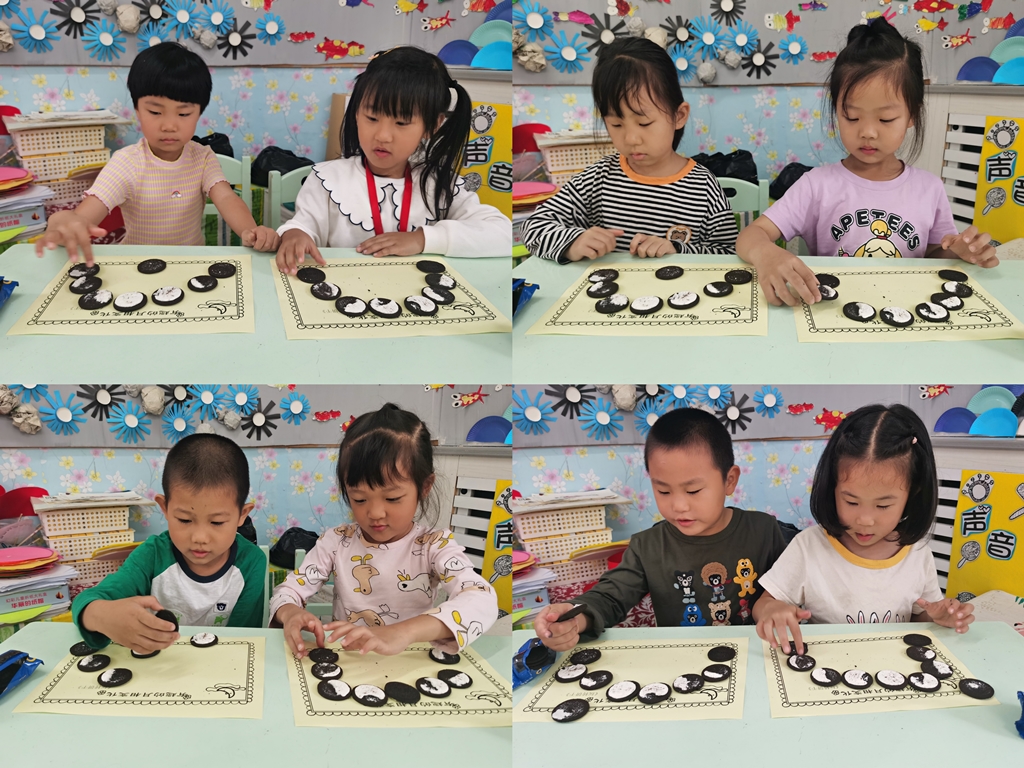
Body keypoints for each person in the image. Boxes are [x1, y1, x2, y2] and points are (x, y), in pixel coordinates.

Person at [736, 18, 999, 307]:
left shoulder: (929, 189)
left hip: (905, 310)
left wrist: (960, 251)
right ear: (836, 111)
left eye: (885, 119)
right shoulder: (816, 185)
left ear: (912, 115)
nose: (868, 132)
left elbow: (934, 256)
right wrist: (766, 253)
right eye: (852, 117)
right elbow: (750, 235)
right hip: (834, 313)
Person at [534, 408, 787, 651]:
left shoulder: (764, 531)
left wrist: (776, 606)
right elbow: (610, 597)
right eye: (663, 491)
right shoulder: (647, 546)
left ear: (729, 480)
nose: (678, 506)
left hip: (758, 656)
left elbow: (792, 585)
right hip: (681, 662)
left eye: (693, 491)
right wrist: (575, 618)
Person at [271, 404, 498, 657]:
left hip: (409, 660)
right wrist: (290, 612)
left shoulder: (434, 545)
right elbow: (287, 591)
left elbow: (483, 599)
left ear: (424, 487)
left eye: (392, 498)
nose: (375, 513)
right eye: (359, 499)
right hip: (350, 659)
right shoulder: (336, 541)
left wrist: (402, 632)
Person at [754, 404, 974, 655]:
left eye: (883, 505)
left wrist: (938, 617)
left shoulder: (917, 554)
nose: (865, 520)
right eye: (851, 502)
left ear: (912, 495)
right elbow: (764, 603)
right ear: (832, 488)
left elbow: (918, 616)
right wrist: (771, 610)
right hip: (827, 667)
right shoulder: (809, 547)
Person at [36, 43, 279, 266]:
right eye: (155, 112)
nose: (169, 126)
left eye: (183, 114)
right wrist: (65, 221)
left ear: (198, 114)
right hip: (137, 266)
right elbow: (87, 211)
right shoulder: (126, 162)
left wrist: (250, 231)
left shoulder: (203, 157)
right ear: (137, 110)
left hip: (190, 265)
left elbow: (225, 198)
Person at [275, 47, 510, 273]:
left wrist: (423, 239)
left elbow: (503, 233)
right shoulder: (326, 179)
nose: (383, 136)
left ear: (432, 125)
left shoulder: (442, 185)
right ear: (356, 113)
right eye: (372, 117)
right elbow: (303, 226)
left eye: (401, 123)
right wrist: (294, 234)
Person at [521, 37, 738, 263]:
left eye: (644, 123)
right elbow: (533, 227)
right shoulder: (598, 178)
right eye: (616, 124)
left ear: (679, 116)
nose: (631, 138)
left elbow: (728, 252)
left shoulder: (703, 187)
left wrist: (677, 249)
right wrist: (573, 242)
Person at [71, 434, 266, 652]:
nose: (199, 538)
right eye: (184, 520)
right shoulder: (152, 556)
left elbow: (244, 639)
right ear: (164, 508)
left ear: (242, 514)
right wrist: (103, 615)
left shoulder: (252, 562)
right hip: (160, 663)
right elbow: (86, 601)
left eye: (217, 522)